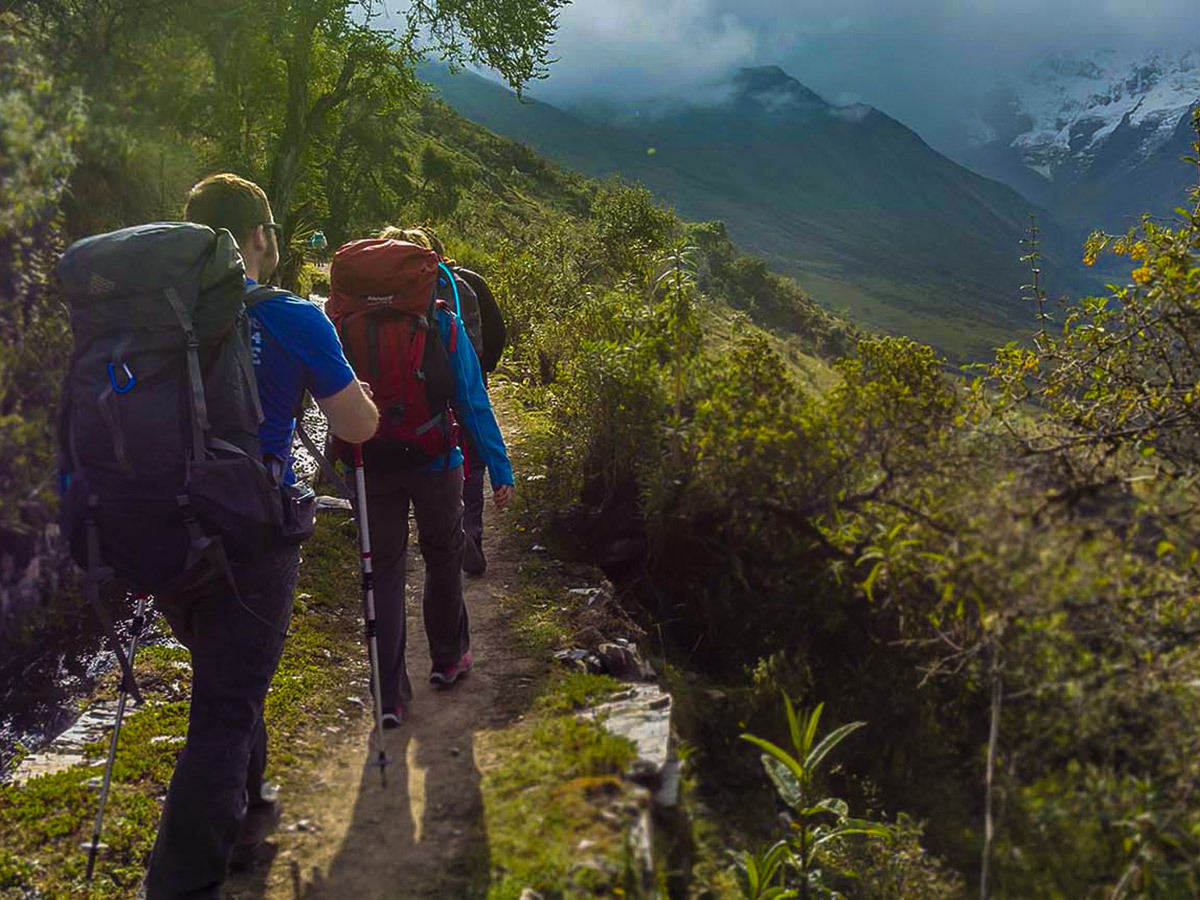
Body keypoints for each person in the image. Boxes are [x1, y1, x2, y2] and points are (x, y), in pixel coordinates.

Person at [143, 174, 378, 897]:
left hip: (162, 530)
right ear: (259, 237)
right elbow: (357, 425)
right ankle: (182, 884)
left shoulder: (154, 316)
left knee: (228, 678)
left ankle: (250, 812)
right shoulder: (295, 319)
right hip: (252, 534)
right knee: (225, 706)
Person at [328, 229, 514, 730]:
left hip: (368, 463)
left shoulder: (338, 327)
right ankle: (449, 659)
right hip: (436, 462)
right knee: (443, 554)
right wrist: (500, 468)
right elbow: (473, 404)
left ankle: (388, 694)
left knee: (383, 573)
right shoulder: (444, 327)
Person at [384, 227, 508, 575]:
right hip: (461, 388)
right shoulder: (465, 287)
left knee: (386, 561)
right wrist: (481, 367)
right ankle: (472, 531)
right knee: (471, 465)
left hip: (393, 419)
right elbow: (496, 332)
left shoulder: (369, 308)